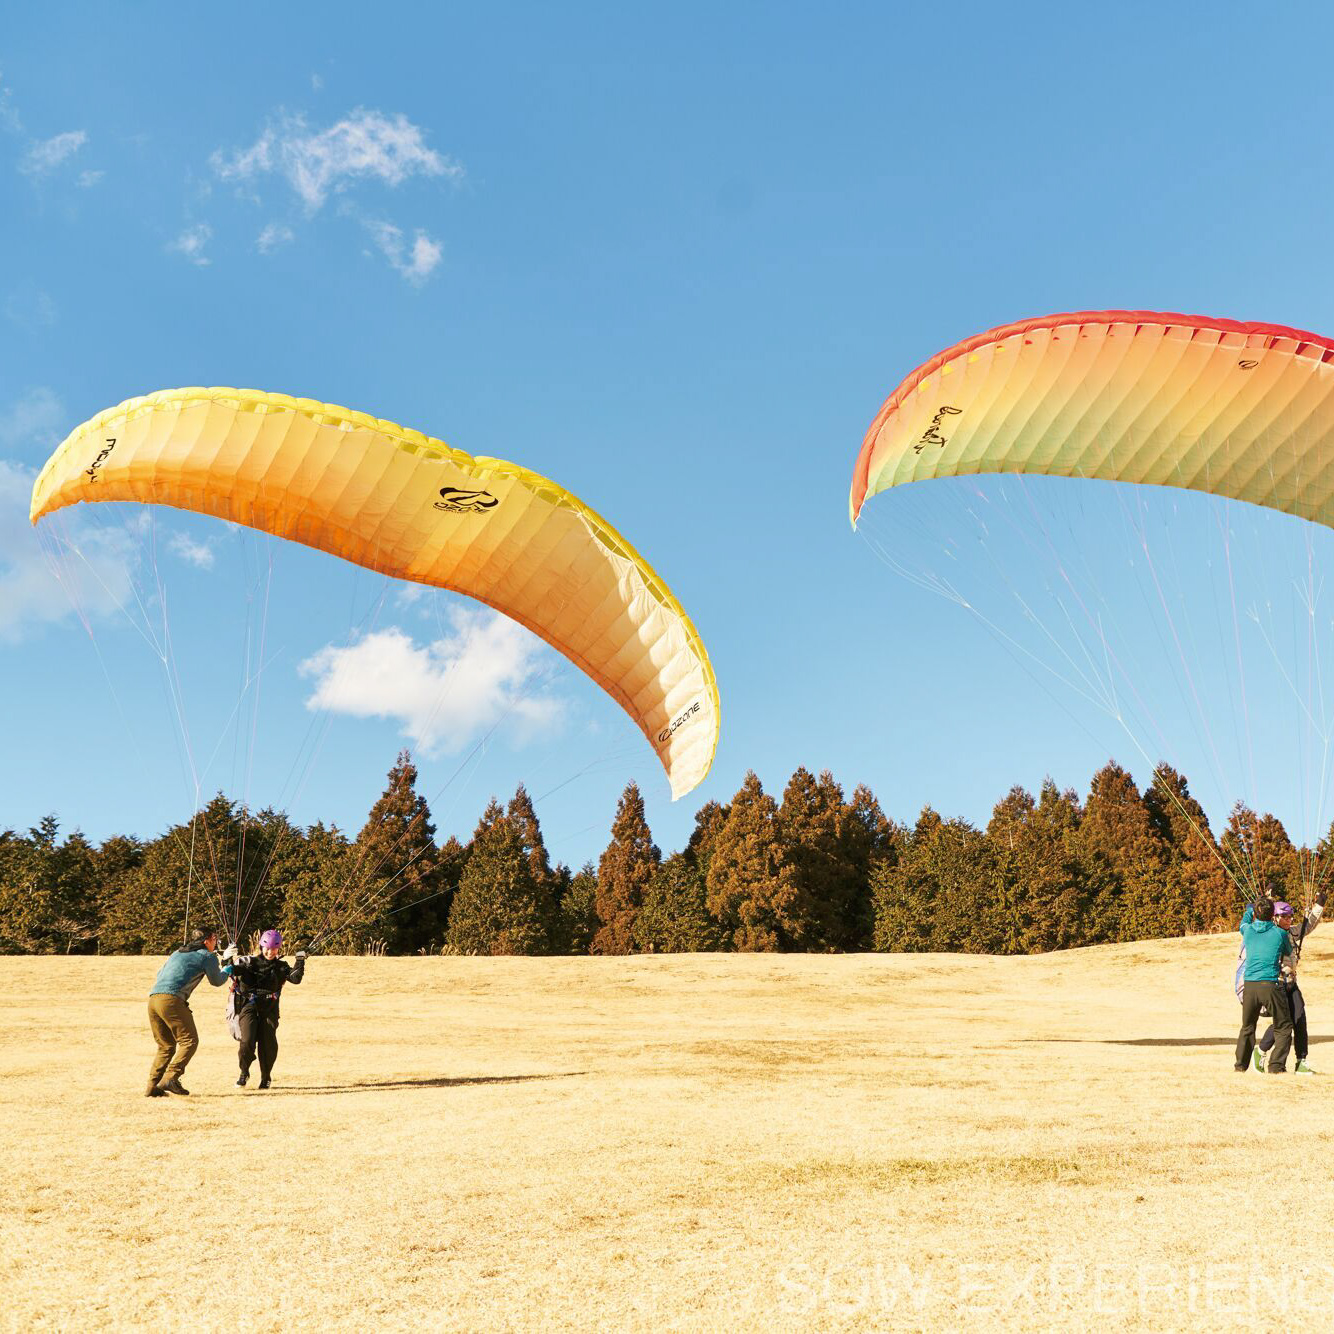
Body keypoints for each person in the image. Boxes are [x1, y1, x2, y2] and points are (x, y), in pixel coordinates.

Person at [146, 925, 236, 1096]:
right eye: (215, 938)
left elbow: (160, 974)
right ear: (206, 941)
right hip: (172, 1000)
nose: (216, 942)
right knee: (189, 1041)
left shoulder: (177, 952)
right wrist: (227, 967)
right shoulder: (207, 956)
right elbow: (217, 981)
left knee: (165, 1046)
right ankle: (171, 1077)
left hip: (153, 1000)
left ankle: (152, 1087)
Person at [1255, 892, 1326, 1074]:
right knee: (1283, 1022)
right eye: (1284, 916)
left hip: (1291, 983)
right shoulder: (1268, 934)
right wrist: (1264, 901)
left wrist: (1319, 904)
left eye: (1290, 916)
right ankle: (1261, 1050)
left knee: (1299, 1018)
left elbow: (1308, 925)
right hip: (1275, 984)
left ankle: (1301, 1061)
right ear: (1275, 917)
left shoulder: (1293, 932)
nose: (1288, 920)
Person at [228, 929, 306, 1089]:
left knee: (268, 1043)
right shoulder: (249, 963)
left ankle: (266, 1076)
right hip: (249, 1006)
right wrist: (227, 958)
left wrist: (300, 960)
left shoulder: (281, 967)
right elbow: (231, 971)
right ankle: (244, 1072)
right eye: (267, 948)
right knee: (247, 1040)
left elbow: (295, 978)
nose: (270, 952)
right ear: (261, 947)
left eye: (274, 949)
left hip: (270, 1008)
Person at [1235, 898, 1294, 1074]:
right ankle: (1276, 1066)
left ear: (1255, 914)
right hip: (1270, 984)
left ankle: (1240, 1066)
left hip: (1250, 986)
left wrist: (1250, 909)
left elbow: (1243, 922)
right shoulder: (1280, 934)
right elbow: (1288, 951)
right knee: (1283, 1025)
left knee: (1247, 1027)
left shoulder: (1248, 931)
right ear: (1272, 915)